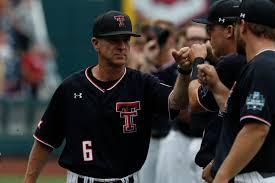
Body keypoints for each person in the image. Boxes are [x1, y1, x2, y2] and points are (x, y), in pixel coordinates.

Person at [23, 10, 191, 183]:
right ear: (96, 43)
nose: (122, 46)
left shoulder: (142, 83)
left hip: (129, 179)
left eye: (126, 40)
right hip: (82, 179)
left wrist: (184, 73)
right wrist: (29, 180)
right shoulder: (71, 88)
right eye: (114, 40)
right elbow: (45, 140)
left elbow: (176, 102)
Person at [197, 0, 275, 182]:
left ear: (242, 26)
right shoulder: (265, 64)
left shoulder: (262, 65)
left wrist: (222, 175)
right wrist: (219, 163)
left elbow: (256, 129)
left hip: (256, 176)